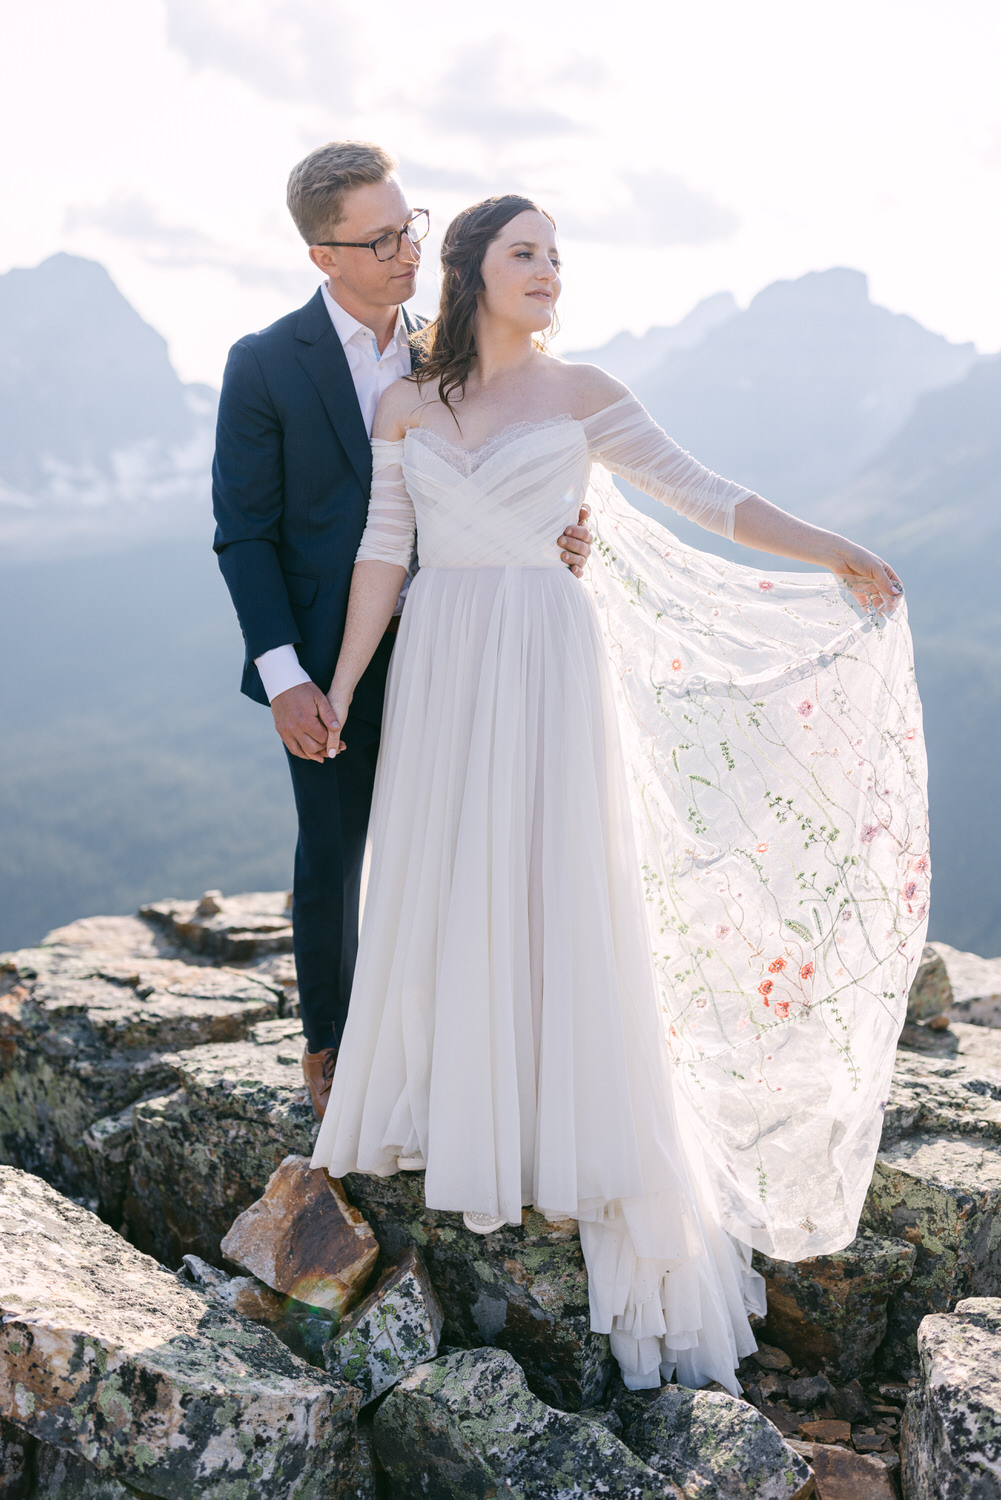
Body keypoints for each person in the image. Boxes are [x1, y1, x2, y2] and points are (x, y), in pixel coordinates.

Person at [310, 194, 930, 1392]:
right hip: (442, 656)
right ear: (469, 270)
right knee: (447, 870)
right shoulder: (406, 403)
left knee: (551, 874)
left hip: (545, 652)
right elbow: (383, 553)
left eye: (556, 255)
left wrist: (831, 549)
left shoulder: (584, 391)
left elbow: (707, 493)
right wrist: (337, 685)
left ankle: (561, 1116)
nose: (548, 271)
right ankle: (455, 1101)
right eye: (524, 253)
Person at [212, 147, 593, 1120]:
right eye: (378, 239)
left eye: (408, 226)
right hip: (317, 663)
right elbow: (244, 535)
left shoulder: (448, 352)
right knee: (332, 856)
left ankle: (462, 1048)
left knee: (463, 847)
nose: (404, 251)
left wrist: (547, 536)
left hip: (453, 649)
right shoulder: (262, 364)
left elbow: (491, 472)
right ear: (320, 255)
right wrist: (287, 674)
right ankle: (334, 1058)